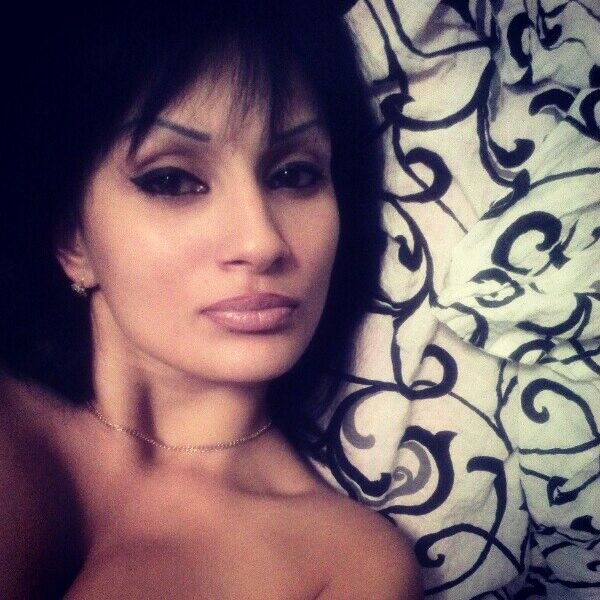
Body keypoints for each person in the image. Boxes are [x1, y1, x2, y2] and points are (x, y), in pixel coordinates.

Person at [0, 1, 421, 597]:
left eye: (294, 174)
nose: (262, 242)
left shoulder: (349, 563)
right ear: (72, 239)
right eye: (172, 179)